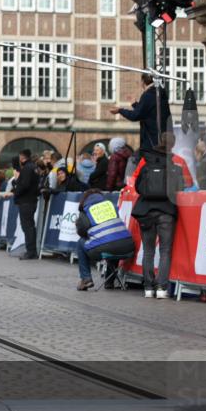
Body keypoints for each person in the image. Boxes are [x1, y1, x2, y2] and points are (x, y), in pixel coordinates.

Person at [132, 135, 181, 299]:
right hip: (166, 212)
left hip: (146, 212)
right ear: (172, 146)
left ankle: (148, 287)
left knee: (148, 251)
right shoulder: (175, 167)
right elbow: (179, 189)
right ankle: (161, 288)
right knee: (165, 251)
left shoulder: (146, 165)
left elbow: (138, 187)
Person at [73, 189, 136, 291]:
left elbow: (81, 232)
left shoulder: (86, 210)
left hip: (105, 248)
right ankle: (109, 282)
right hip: (127, 247)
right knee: (113, 241)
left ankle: (86, 279)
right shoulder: (111, 205)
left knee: (81, 243)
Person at [111, 73, 172, 152]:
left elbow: (135, 115)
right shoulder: (159, 94)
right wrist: (135, 104)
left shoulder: (148, 94)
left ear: (143, 82)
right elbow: (147, 112)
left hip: (152, 141)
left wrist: (120, 110)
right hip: (162, 139)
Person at [13, 149, 40, 260]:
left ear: (22, 157)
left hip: (26, 201)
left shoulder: (28, 168)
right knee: (29, 226)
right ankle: (31, 250)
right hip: (30, 200)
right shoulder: (33, 167)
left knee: (27, 227)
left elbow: (25, 184)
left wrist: (16, 192)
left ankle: (31, 251)